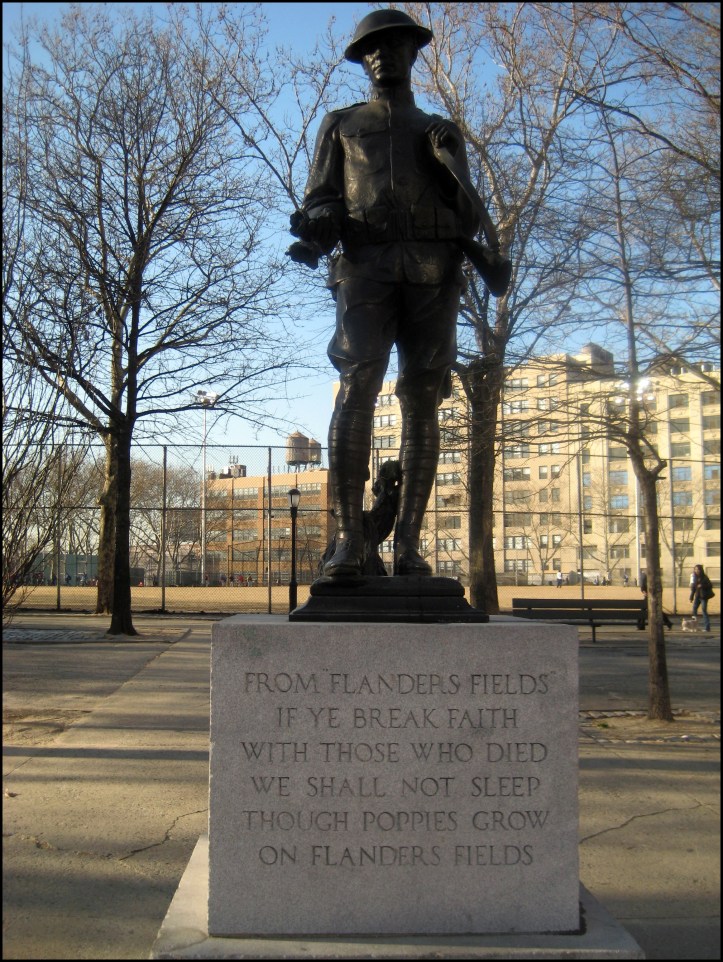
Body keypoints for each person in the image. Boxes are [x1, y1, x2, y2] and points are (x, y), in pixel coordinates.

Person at [289, 8, 510, 579]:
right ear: (363, 60)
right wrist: (318, 224)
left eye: (396, 45)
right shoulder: (340, 124)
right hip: (363, 267)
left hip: (434, 273)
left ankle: (408, 544)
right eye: (373, 48)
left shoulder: (437, 129)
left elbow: (467, 216)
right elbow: (322, 196)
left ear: (415, 53)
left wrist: (453, 158)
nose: (384, 54)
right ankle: (349, 542)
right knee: (357, 381)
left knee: (420, 399)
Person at [689, 563, 714, 632]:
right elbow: (693, 588)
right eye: (695, 569)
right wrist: (691, 597)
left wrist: (702, 585)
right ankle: (694, 626)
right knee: (694, 609)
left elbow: (710, 585)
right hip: (697, 596)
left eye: (698, 569)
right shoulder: (694, 577)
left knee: (704, 611)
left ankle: (707, 627)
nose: (697, 570)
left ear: (701, 570)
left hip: (704, 597)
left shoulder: (704, 577)